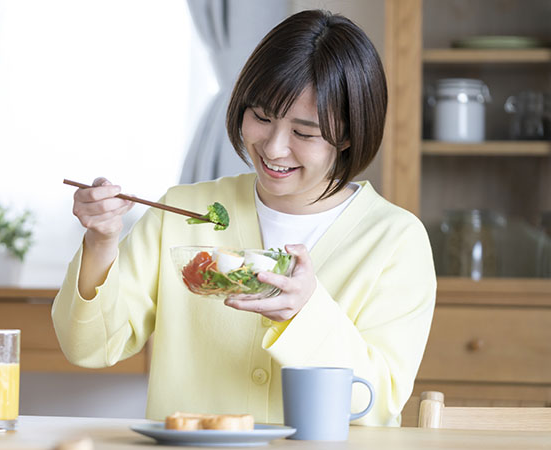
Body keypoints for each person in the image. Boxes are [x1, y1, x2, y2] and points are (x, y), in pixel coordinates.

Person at [53, 9, 436, 427]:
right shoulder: (185, 212)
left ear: (346, 135)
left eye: (303, 133)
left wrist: (305, 314)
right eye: (261, 117)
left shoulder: (395, 240)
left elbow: (378, 403)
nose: (273, 148)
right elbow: (87, 346)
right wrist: (102, 241)